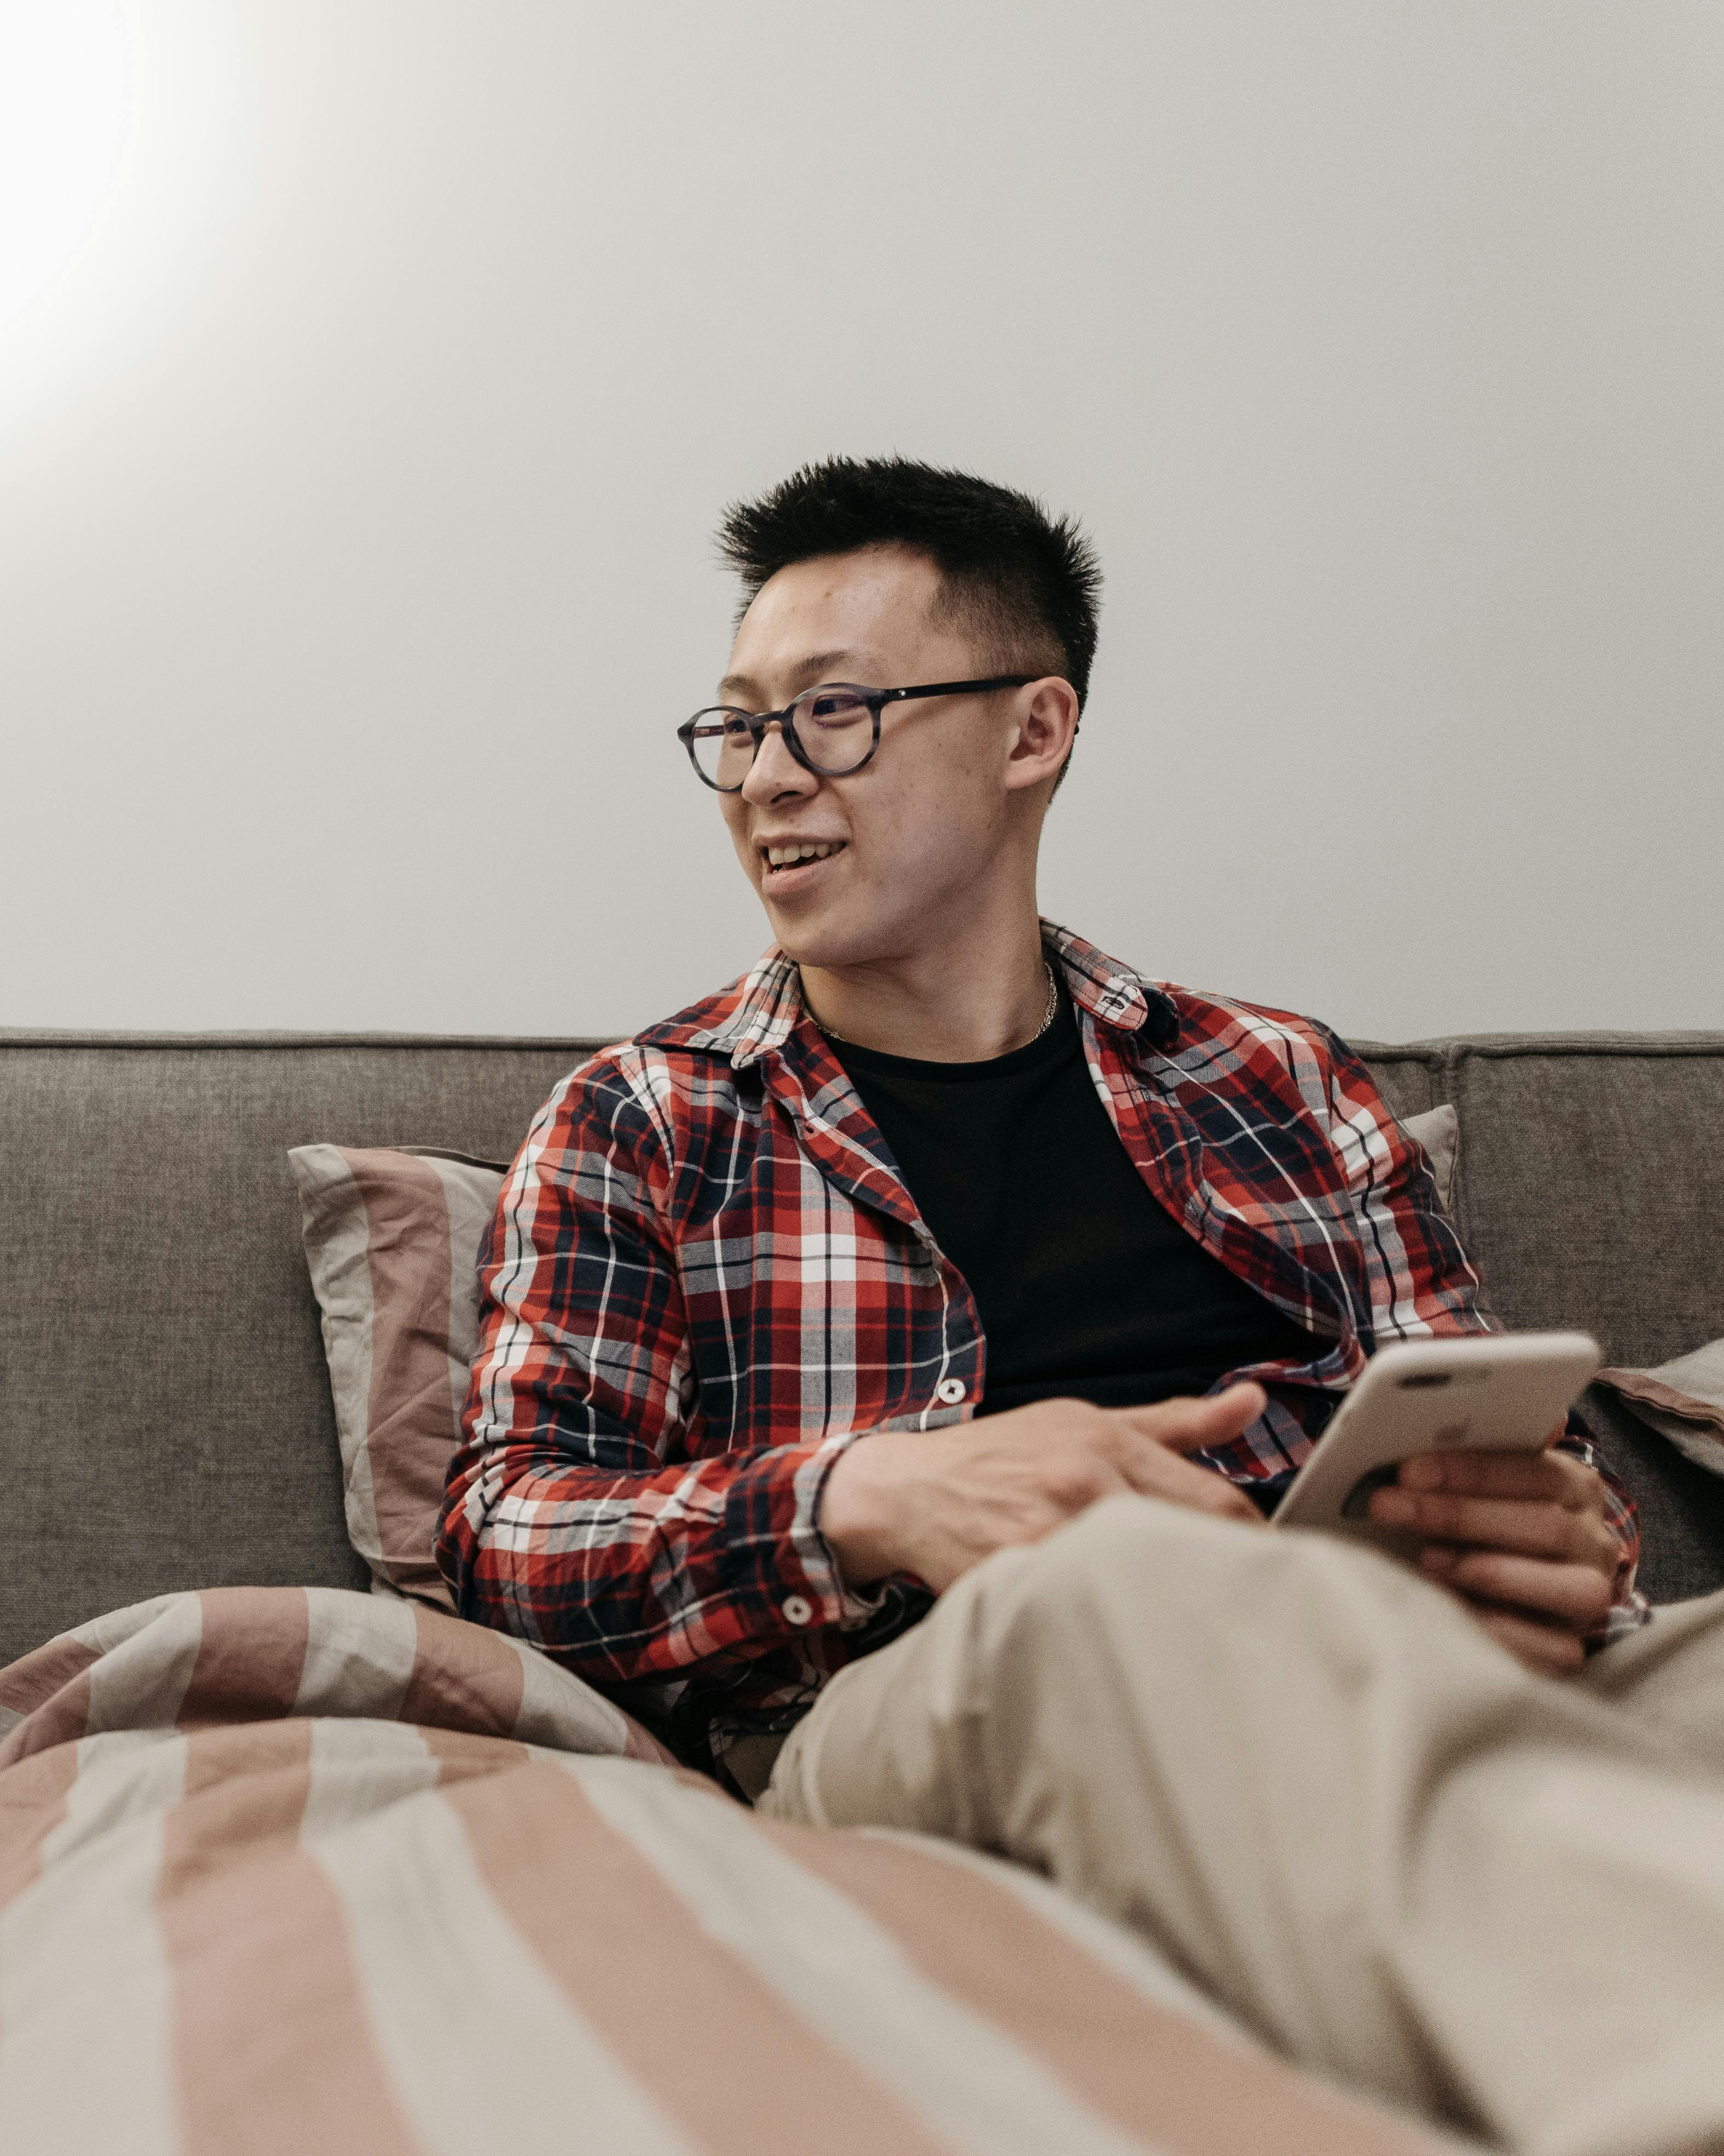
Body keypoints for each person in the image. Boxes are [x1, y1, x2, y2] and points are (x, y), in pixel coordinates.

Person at [439, 457, 1723, 2153]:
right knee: (1108, 1591)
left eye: (831, 716)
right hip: (931, 1692)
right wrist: (875, 1497)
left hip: (1368, 1648)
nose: (764, 779)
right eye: (736, 726)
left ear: (1033, 728)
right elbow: (509, 1534)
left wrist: (1558, 1535)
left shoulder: (1279, 1081)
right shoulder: (648, 1115)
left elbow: (1531, 1451)